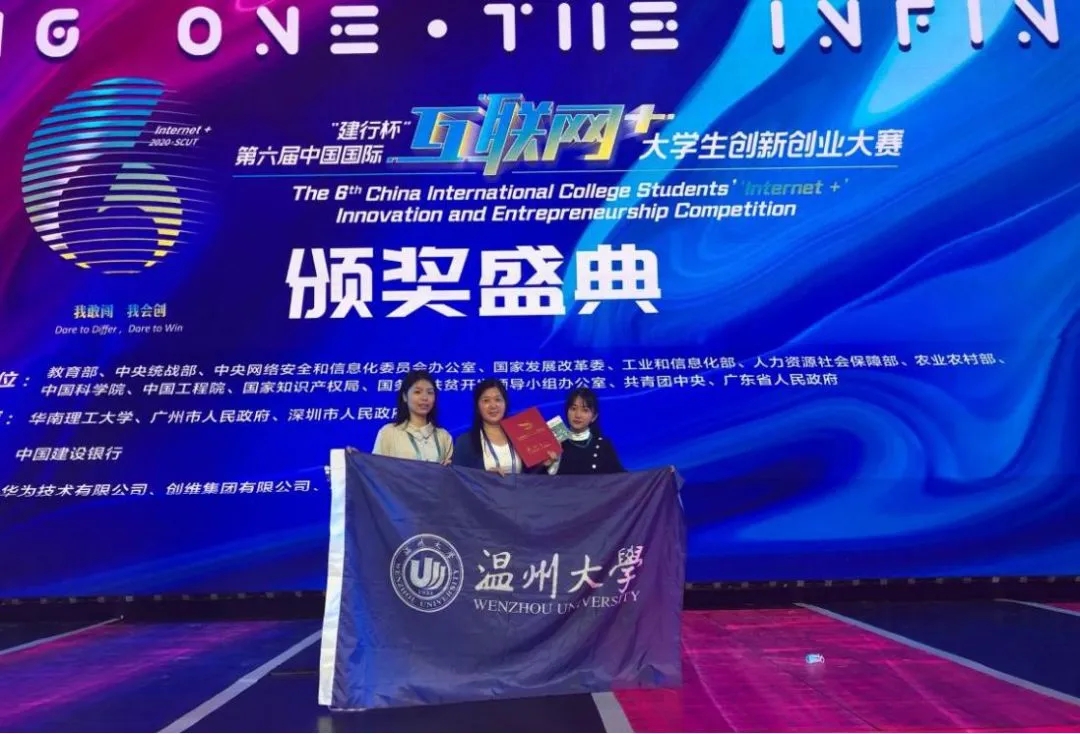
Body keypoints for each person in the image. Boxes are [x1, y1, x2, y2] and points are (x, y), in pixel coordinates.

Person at [453, 378, 556, 475]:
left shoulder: (521, 435)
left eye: (498, 400)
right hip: (482, 489)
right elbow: (459, 479)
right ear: (477, 407)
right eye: (486, 401)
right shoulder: (465, 442)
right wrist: (484, 477)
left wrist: (543, 465)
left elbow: (530, 479)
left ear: (505, 404)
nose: (493, 405)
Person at [349, 370, 453, 464]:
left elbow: (454, 475)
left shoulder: (444, 436)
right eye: (417, 392)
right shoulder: (388, 433)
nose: (425, 398)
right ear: (404, 396)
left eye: (430, 392)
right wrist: (357, 462)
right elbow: (376, 470)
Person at [555, 386, 625, 475]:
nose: (578, 415)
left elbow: (621, 478)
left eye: (585, 410)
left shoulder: (603, 445)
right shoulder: (557, 442)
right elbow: (541, 479)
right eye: (573, 408)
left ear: (594, 417)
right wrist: (551, 465)